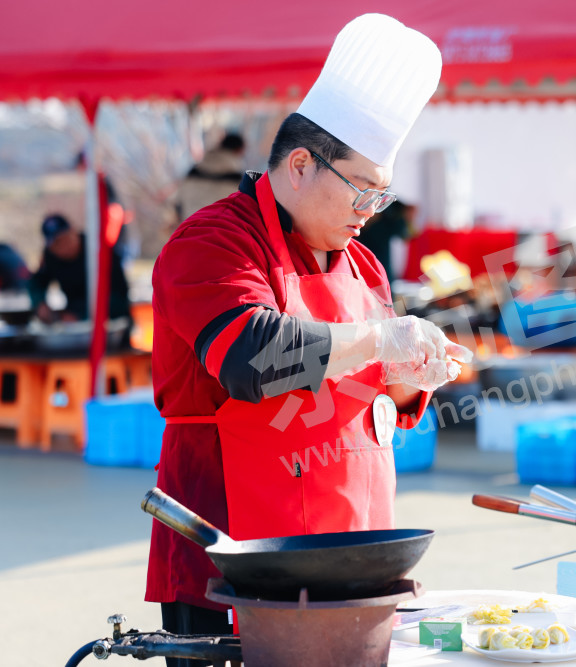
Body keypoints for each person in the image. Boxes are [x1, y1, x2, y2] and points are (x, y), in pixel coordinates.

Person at [144, 14, 471, 664]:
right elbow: (252, 354)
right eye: (362, 192)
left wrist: (412, 375)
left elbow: (373, 386)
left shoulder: (363, 265)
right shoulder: (213, 241)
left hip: (351, 551)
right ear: (299, 165)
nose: (366, 213)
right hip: (230, 556)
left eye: (381, 198)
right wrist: (383, 338)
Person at [27, 214, 131, 324]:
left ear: (73, 231)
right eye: (56, 244)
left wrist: (81, 315)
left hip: (111, 322)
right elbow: (36, 282)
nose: (63, 247)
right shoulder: (51, 257)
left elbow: (119, 296)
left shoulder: (99, 249)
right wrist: (40, 304)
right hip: (74, 323)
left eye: (65, 239)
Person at [176, 132, 246, 223]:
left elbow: (178, 203)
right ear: (239, 150)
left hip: (189, 229)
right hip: (219, 232)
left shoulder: (193, 172)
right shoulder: (239, 180)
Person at [356, 199, 414, 282]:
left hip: (382, 264)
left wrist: (409, 215)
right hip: (359, 261)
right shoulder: (361, 199)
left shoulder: (391, 205)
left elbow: (406, 235)